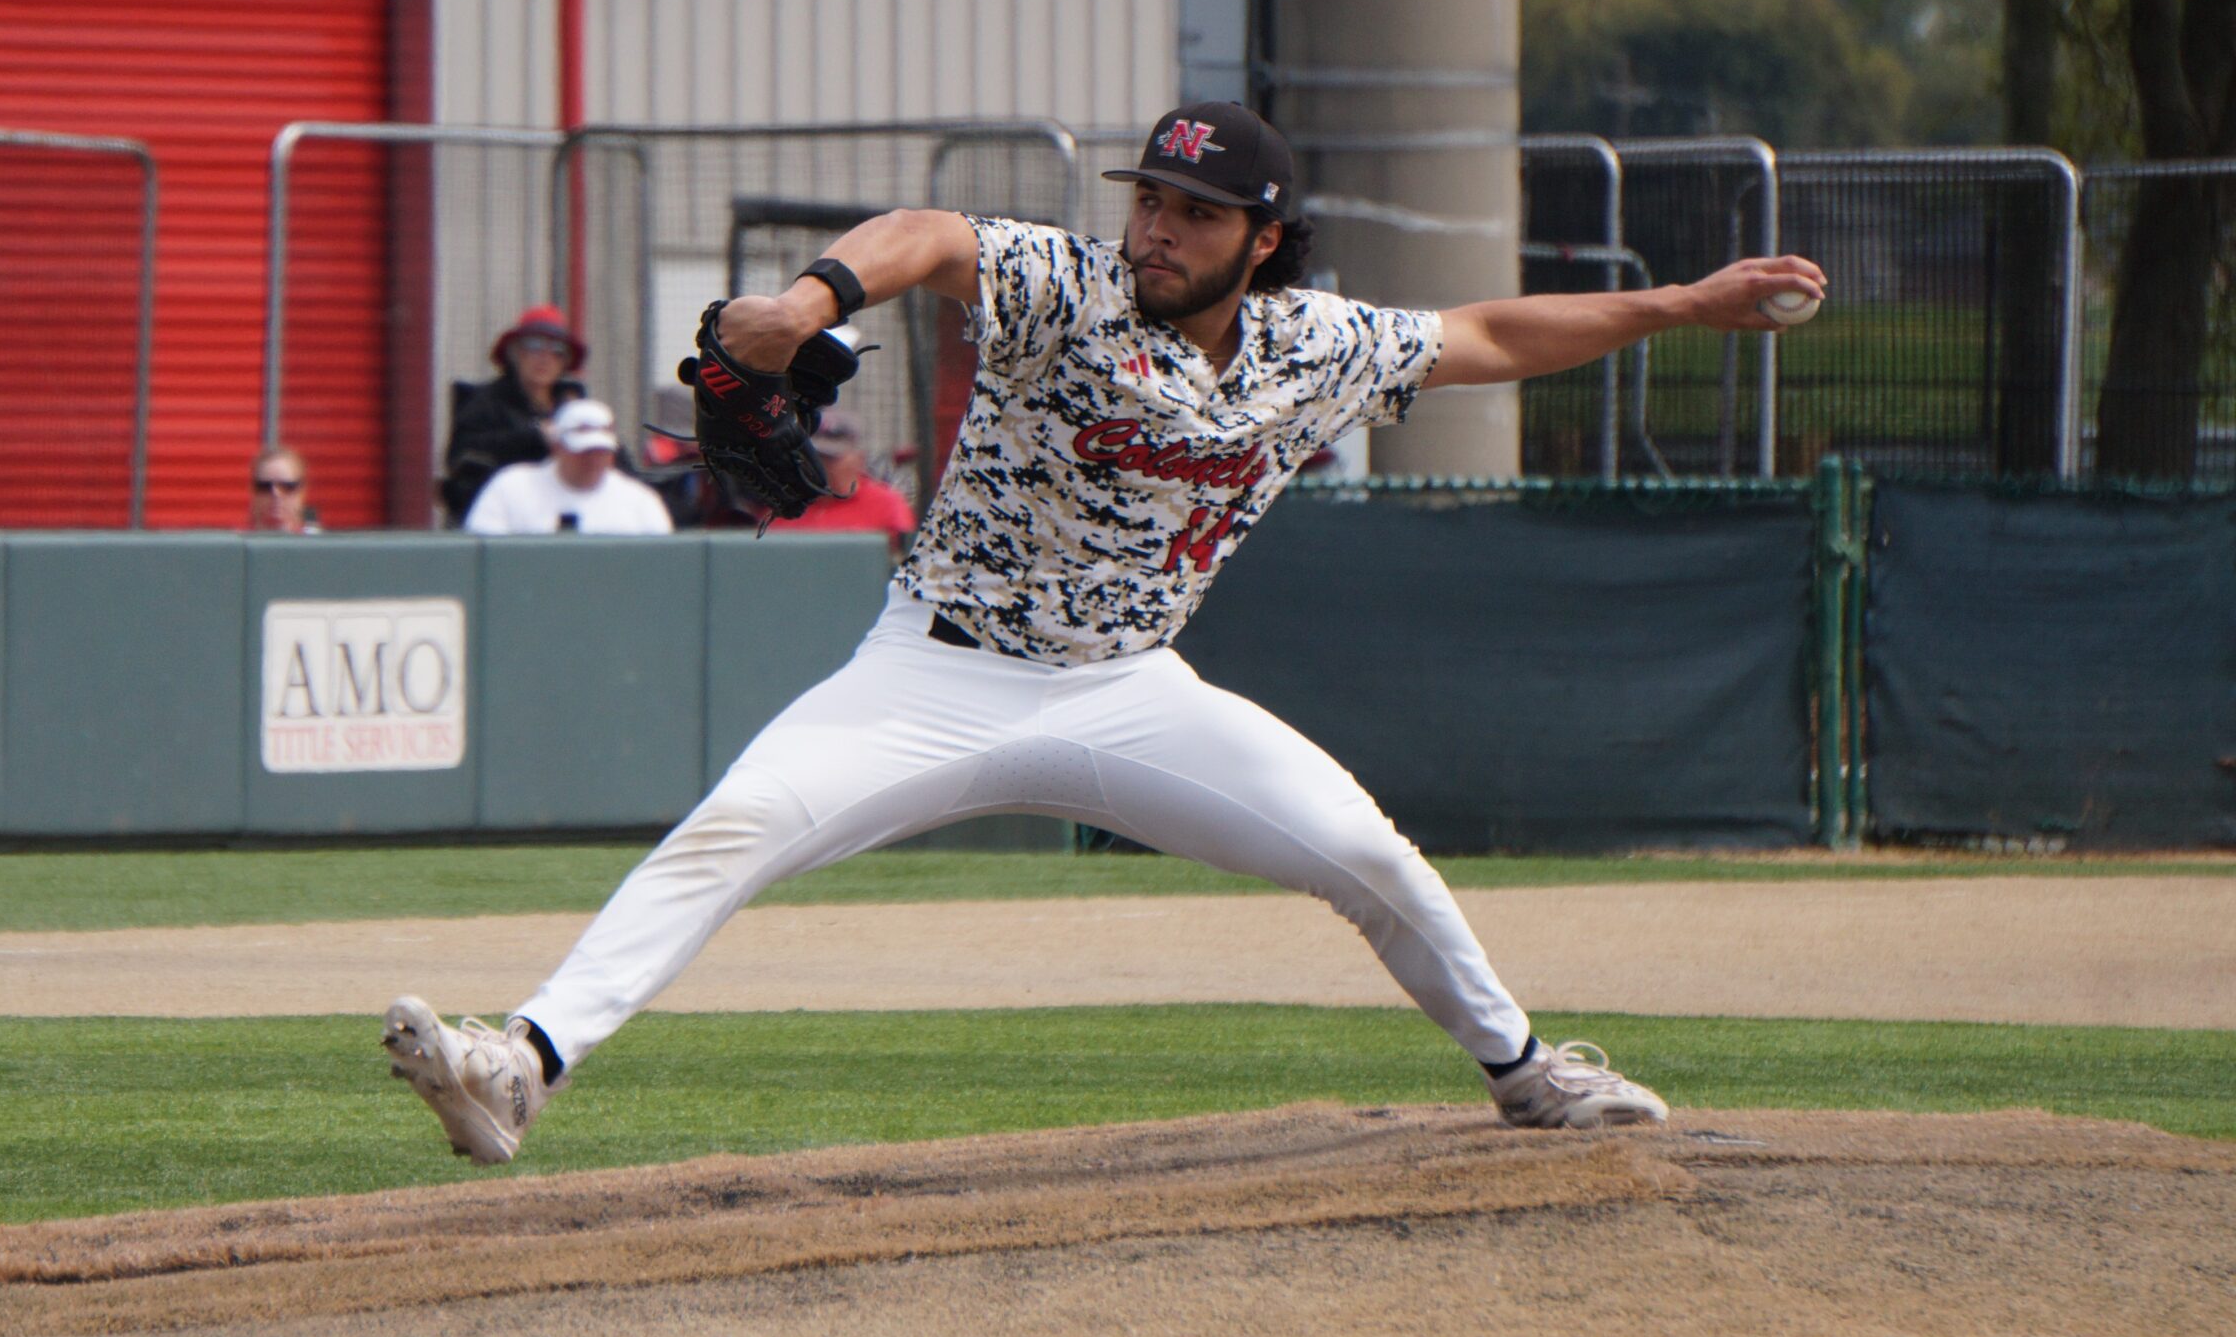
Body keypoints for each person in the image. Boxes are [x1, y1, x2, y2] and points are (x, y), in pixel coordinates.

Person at [383, 100, 1828, 1162]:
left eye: (1194, 214)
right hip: (932, 672)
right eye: (1150, 199)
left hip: (1132, 693)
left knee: (1369, 854)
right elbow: (932, 237)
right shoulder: (1069, 289)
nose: (1157, 228)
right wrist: (808, 298)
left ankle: (1523, 1071)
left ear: (1260, 239)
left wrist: (1687, 303)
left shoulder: (1313, 347)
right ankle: (522, 1065)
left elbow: (1494, 338)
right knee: (735, 824)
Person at [441, 305, 589, 522]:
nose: (544, 358)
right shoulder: (484, 402)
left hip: (565, 509)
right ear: (515, 353)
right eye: (534, 346)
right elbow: (461, 454)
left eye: (556, 350)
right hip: (506, 514)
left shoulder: (574, 404)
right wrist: (535, 436)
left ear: (564, 362)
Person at [464, 398, 673, 536]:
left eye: (601, 451)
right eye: (583, 451)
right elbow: (479, 553)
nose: (593, 460)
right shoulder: (509, 488)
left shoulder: (640, 501)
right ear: (557, 447)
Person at [771, 407, 918, 545]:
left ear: (859, 458)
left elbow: (905, 562)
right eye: (817, 457)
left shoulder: (887, 505)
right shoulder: (786, 507)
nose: (822, 466)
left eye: (832, 458)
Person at [245, 445, 321, 534]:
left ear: (302, 492)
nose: (276, 494)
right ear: (253, 491)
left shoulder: (316, 545)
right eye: (265, 487)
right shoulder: (236, 544)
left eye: (287, 487)